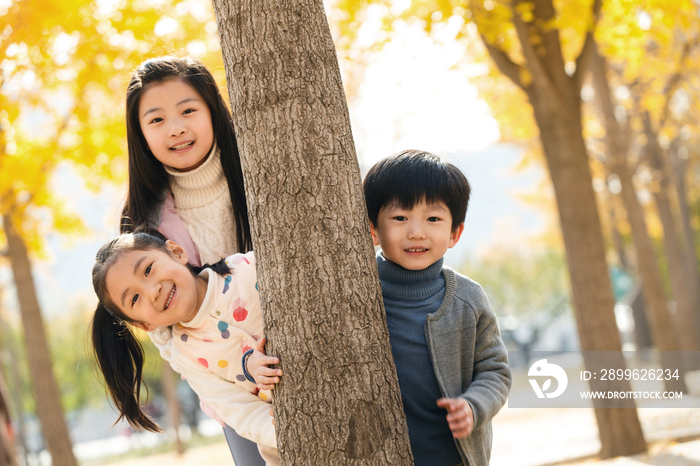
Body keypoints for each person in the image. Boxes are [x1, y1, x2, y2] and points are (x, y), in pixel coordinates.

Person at [251, 150, 512, 465]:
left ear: (455, 233)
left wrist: (474, 405)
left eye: (433, 218)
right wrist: (256, 365)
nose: (416, 231)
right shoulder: (351, 290)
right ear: (373, 229)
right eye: (400, 218)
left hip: (452, 457)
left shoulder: (468, 299)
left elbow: (494, 371)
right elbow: (300, 349)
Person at [118, 56, 267, 464]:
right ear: (141, 134)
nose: (177, 128)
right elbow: (165, 333)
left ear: (212, 111)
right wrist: (233, 369)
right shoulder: (143, 222)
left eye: (188, 111)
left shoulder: (261, 168)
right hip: (231, 379)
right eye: (157, 120)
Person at [90, 231, 282, 465]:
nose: (152, 291)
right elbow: (236, 409)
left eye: (148, 269)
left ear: (177, 252)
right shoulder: (186, 354)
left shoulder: (245, 267)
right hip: (283, 442)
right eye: (134, 299)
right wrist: (285, 430)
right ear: (144, 325)